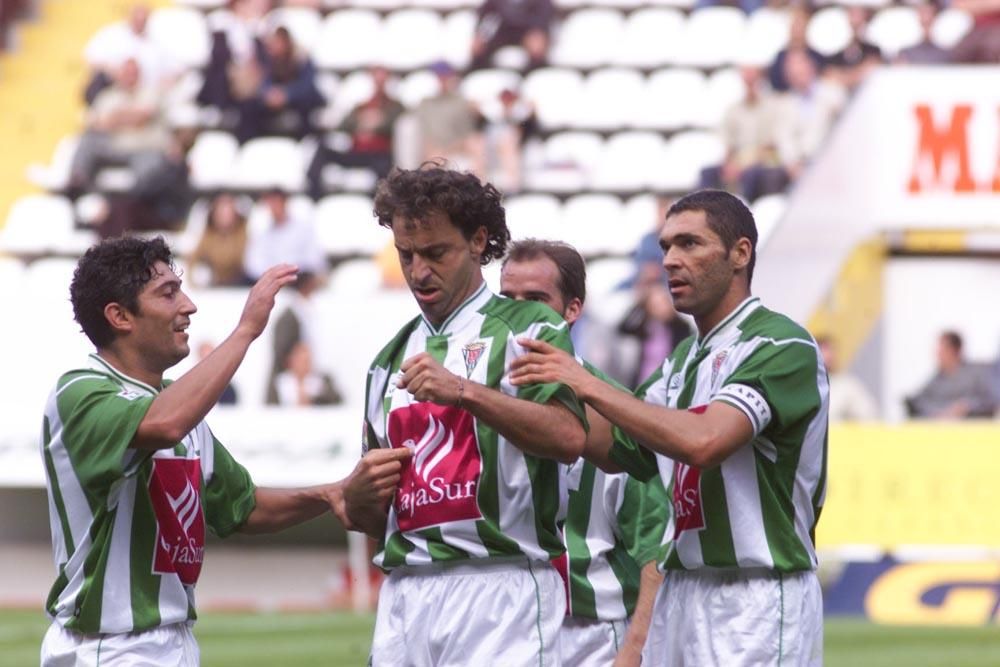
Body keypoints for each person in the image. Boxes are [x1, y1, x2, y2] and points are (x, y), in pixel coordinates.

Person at [40, 236, 408, 665]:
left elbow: (244, 508)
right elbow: (164, 424)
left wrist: (329, 494)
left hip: (171, 643)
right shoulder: (81, 392)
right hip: (108, 648)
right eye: (168, 293)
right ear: (120, 316)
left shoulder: (174, 401)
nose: (188, 306)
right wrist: (247, 331)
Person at [510, 189, 829, 666]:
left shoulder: (781, 344)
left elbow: (705, 441)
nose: (671, 261)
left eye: (690, 244)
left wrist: (585, 382)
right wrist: (497, 400)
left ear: (740, 253)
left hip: (756, 596)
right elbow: (614, 445)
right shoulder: (684, 360)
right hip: (683, 589)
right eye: (665, 248)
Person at [344, 166, 587, 666]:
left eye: (435, 253)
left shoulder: (530, 329)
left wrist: (463, 391)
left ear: (479, 241)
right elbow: (376, 515)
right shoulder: (386, 361)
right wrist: (357, 496)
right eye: (406, 255)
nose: (418, 272)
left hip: (500, 588)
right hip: (406, 595)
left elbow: (568, 436)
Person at [499, 239, 669, 666]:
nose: (519, 312)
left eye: (535, 299)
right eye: (508, 299)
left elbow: (656, 547)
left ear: (573, 309)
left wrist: (633, 650)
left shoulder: (616, 412)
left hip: (592, 636)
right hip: (503, 626)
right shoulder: (475, 398)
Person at [307, 65, 404, 199]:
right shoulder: (362, 106)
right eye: (376, 79)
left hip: (378, 155)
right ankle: (315, 197)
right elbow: (343, 125)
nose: (379, 83)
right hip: (357, 152)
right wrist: (362, 122)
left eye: (382, 79)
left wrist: (377, 124)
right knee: (323, 148)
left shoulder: (395, 106)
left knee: (384, 168)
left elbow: (396, 123)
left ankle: (379, 201)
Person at [905, 331, 997, 419]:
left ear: (954, 350)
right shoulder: (937, 379)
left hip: (973, 429)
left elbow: (991, 400)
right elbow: (918, 402)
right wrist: (940, 412)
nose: (937, 354)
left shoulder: (977, 373)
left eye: (942, 349)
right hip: (942, 430)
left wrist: (966, 406)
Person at [243, 187, 326, 281]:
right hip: (271, 282)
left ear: (285, 202)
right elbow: (253, 265)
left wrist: (291, 273)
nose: (274, 208)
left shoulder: (304, 229)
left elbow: (315, 260)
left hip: (300, 281)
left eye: (277, 202)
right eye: (271, 204)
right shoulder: (262, 233)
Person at [469, 0, 555, 71]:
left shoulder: (541, 2)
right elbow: (486, 21)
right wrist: (481, 36)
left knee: (536, 44)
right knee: (479, 46)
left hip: (528, 32)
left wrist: (538, 33)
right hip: (500, 35)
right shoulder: (494, 3)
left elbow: (541, 22)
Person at [188, 193, 251, 287]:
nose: (225, 217)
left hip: (240, 285)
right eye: (221, 213)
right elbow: (193, 259)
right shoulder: (208, 235)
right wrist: (194, 282)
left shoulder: (244, 234)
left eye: (228, 213)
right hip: (215, 286)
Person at [817, 335, 878, 421]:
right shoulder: (803, 385)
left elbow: (868, 415)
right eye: (822, 349)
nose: (828, 355)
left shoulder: (847, 385)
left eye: (830, 350)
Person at [273, 340, 343, 406]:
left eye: (307, 360)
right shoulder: (281, 382)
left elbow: (337, 400)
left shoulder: (322, 380)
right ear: (291, 361)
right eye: (300, 361)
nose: (304, 365)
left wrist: (313, 401)